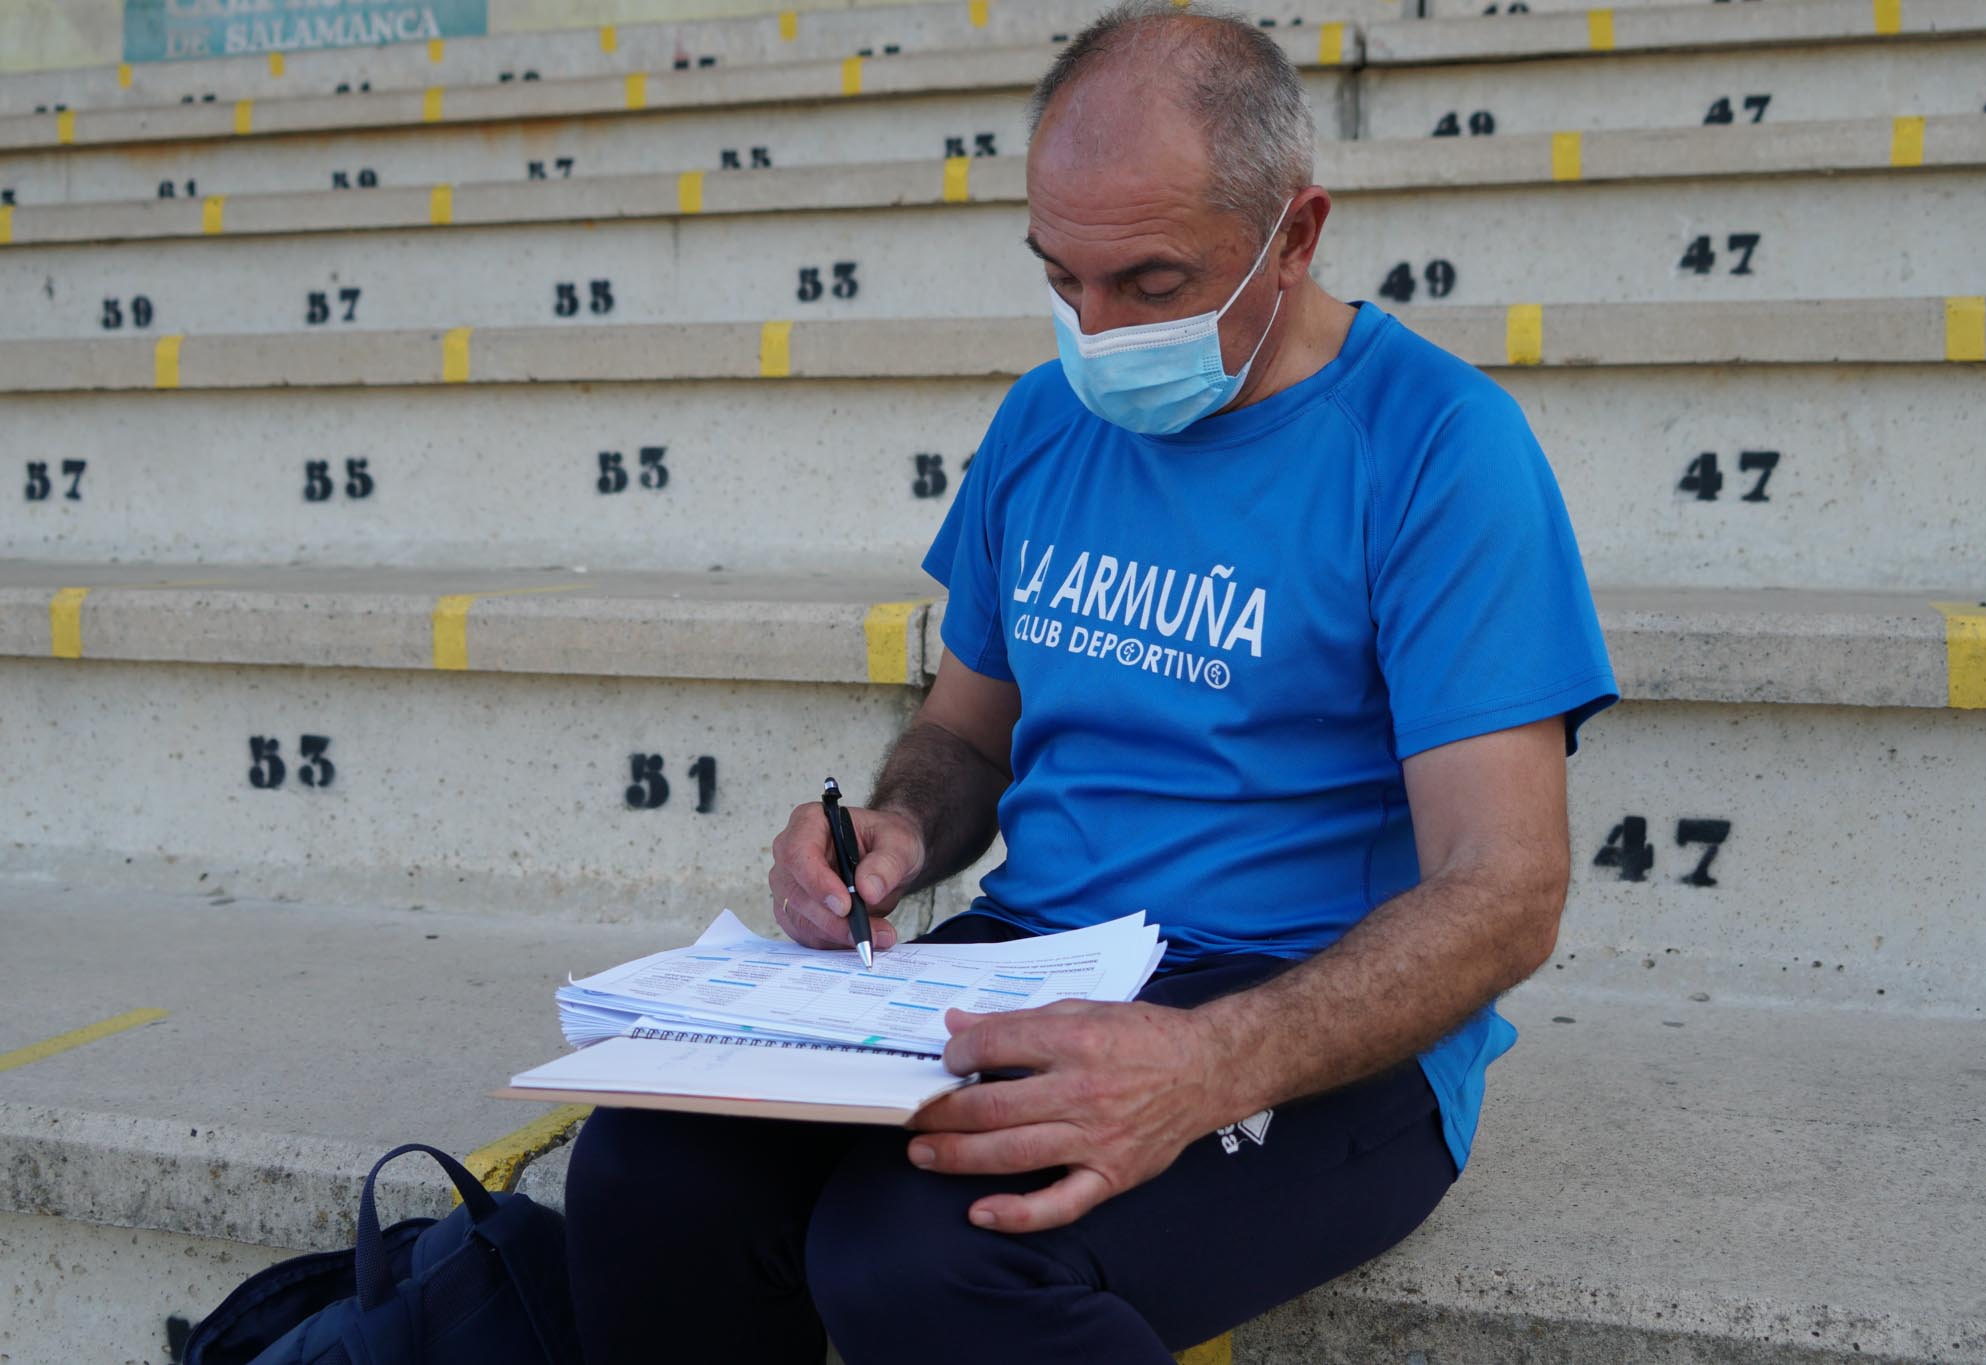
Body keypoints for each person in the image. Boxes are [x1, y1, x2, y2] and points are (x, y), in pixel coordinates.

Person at [563, 3, 1618, 1360]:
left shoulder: (1438, 450)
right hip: (1040, 956)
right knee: (651, 1176)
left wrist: (1210, 1062)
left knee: (920, 1260)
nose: (1098, 329)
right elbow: (961, 735)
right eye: (1062, 278)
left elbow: (1505, 892)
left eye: (1154, 284)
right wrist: (894, 832)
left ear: (1296, 235)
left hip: (1316, 1019)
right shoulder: (1044, 421)